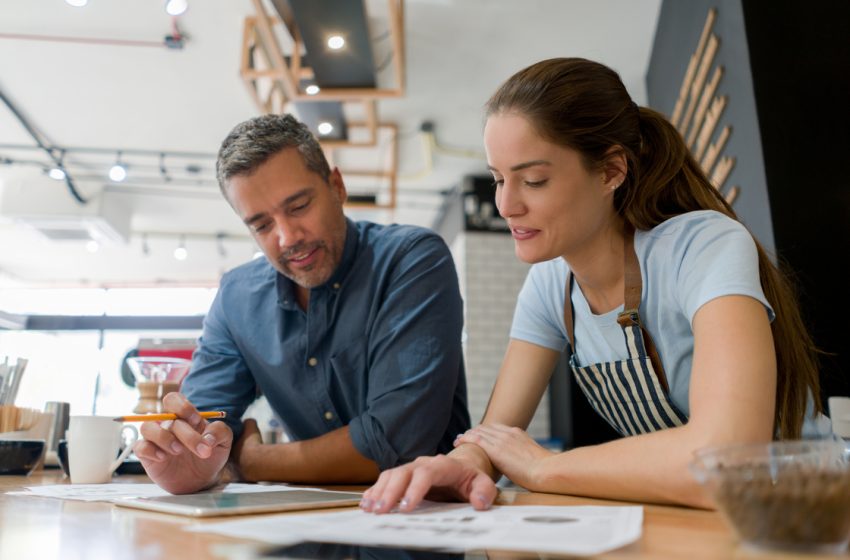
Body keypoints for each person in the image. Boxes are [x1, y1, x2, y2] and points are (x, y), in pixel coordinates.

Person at [361, 57, 829, 512]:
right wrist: (461, 463)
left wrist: (544, 468)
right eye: (499, 179)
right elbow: (495, 437)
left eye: (534, 180)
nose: (505, 205)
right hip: (688, 519)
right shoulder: (549, 285)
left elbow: (729, 463)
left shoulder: (703, 246)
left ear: (611, 171)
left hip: (804, 510)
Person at [134, 113, 470, 494]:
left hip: (427, 521)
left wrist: (249, 460)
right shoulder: (236, 297)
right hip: (309, 532)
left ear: (337, 186)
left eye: (298, 207)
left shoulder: (411, 260)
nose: (288, 237)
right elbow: (202, 427)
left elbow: (395, 443)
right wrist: (188, 459)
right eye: (262, 225)